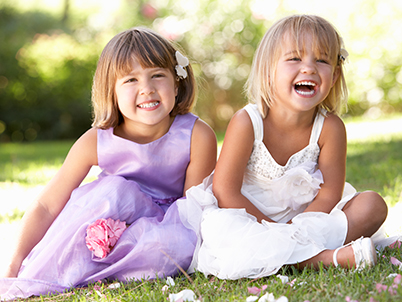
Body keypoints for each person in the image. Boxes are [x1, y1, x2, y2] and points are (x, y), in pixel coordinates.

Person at [0, 27, 217, 299]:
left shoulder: (196, 134)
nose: (146, 89)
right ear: (111, 91)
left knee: (178, 244)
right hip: (113, 217)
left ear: (176, 83)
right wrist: (14, 261)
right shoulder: (97, 141)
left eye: (157, 75)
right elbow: (46, 205)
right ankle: (97, 260)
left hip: (165, 226)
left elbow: (193, 211)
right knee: (113, 192)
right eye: (130, 80)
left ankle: (106, 265)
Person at [177, 14, 388, 280]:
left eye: (322, 60)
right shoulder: (248, 122)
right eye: (295, 58)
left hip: (308, 218)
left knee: (372, 204)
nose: (309, 68)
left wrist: (296, 229)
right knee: (220, 228)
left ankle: (292, 253)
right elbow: (225, 191)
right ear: (269, 70)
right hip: (249, 217)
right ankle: (324, 258)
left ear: (334, 75)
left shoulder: (330, 127)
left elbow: (329, 193)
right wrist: (273, 230)